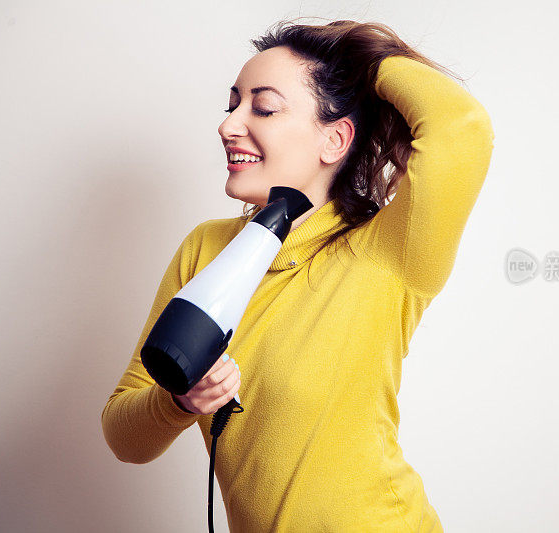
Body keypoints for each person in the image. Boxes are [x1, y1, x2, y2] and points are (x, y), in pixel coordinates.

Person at [101, 18, 494, 532]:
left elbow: (461, 126)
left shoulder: (387, 250)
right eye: (232, 105)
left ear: (335, 140)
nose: (229, 125)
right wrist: (179, 400)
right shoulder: (206, 250)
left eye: (263, 107)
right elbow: (123, 434)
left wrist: (360, 57)